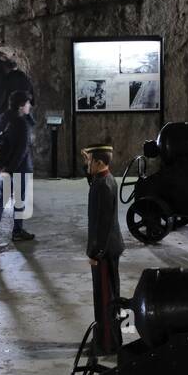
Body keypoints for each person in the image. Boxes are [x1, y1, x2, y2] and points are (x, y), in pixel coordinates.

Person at [83, 145, 125, 354]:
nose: (86, 163)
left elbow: (104, 224)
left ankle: (108, 344)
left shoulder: (103, 186)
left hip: (105, 251)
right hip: (108, 248)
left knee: (105, 298)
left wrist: (95, 253)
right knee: (106, 295)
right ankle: (106, 337)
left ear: (99, 163)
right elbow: (91, 180)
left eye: (89, 160)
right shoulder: (103, 179)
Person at [0, 90, 36, 244]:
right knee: (19, 201)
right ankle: (17, 232)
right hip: (18, 168)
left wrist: (0, 166)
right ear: (21, 105)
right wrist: (11, 169)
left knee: (2, 198)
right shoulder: (21, 123)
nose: (29, 107)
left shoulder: (1, 118)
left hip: (3, 166)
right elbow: (21, 150)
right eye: (27, 104)